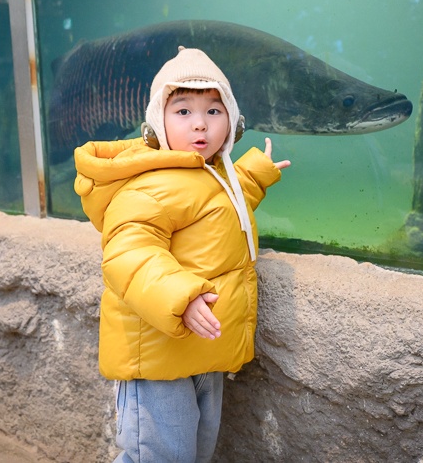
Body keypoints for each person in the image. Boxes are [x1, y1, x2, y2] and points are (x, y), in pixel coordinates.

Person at [74, 45, 291, 463]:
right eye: (183, 111)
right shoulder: (148, 184)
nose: (200, 124)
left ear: (232, 120)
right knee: (160, 457)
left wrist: (253, 177)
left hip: (202, 350)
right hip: (158, 353)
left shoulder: (211, 176)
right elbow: (129, 253)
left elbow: (215, 210)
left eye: (214, 111)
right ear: (158, 121)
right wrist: (182, 296)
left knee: (195, 453)